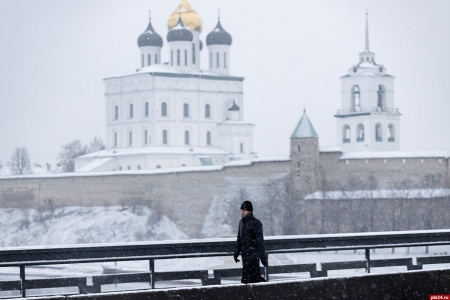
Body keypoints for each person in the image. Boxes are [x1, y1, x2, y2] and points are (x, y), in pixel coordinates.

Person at [234, 200, 268, 283]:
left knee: (253, 280)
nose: (242, 212)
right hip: (245, 256)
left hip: (253, 256)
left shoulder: (256, 223)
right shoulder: (241, 223)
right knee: (249, 280)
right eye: (241, 210)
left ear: (249, 211)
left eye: (244, 211)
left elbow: (260, 241)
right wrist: (236, 252)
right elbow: (239, 238)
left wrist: (263, 258)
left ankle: (265, 291)